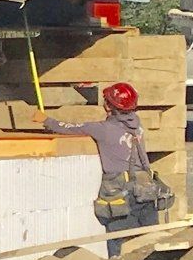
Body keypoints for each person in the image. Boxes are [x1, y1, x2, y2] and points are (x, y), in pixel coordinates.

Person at [44, 80, 172, 230]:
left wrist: (46, 120)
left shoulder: (103, 129)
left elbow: (68, 128)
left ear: (108, 106)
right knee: (149, 238)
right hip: (145, 188)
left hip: (121, 191)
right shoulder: (137, 125)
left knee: (118, 240)